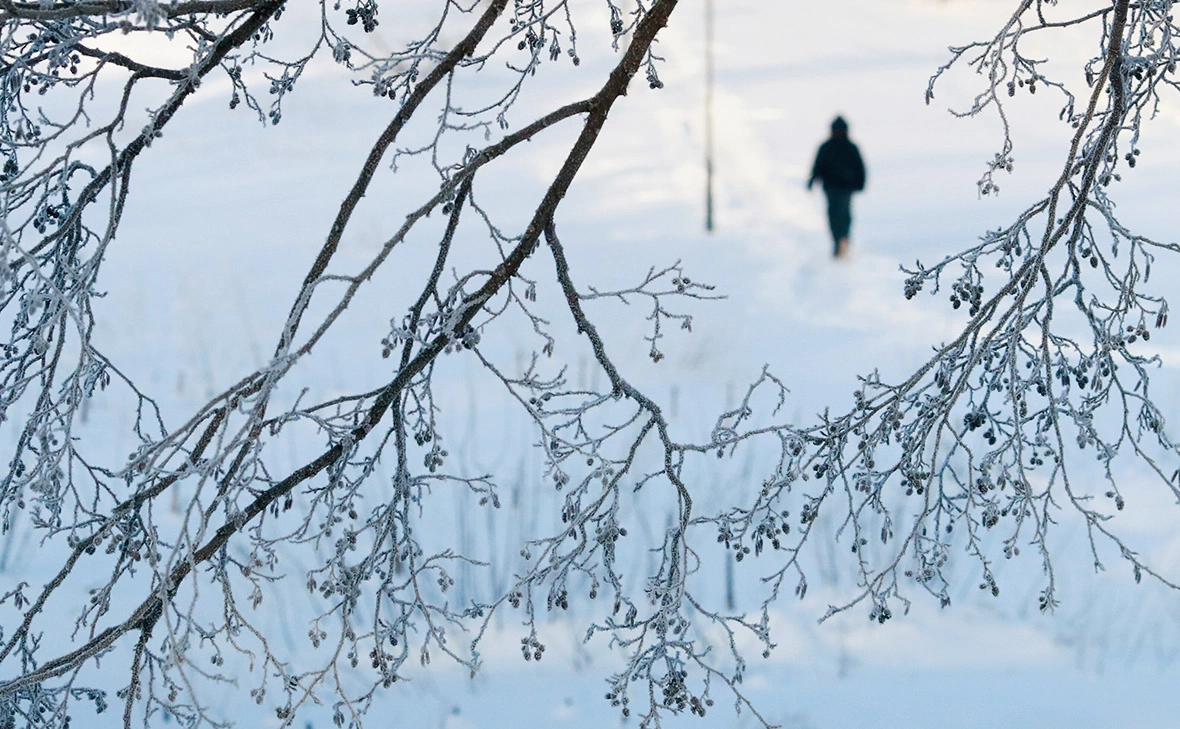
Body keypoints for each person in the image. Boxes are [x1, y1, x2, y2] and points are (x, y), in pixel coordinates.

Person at [808, 116, 866, 258]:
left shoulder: (851, 148)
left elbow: (860, 168)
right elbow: (818, 165)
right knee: (833, 216)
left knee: (844, 215)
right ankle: (838, 242)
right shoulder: (826, 147)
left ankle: (843, 240)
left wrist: (860, 183)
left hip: (846, 188)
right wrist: (812, 180)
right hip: (831, 188)